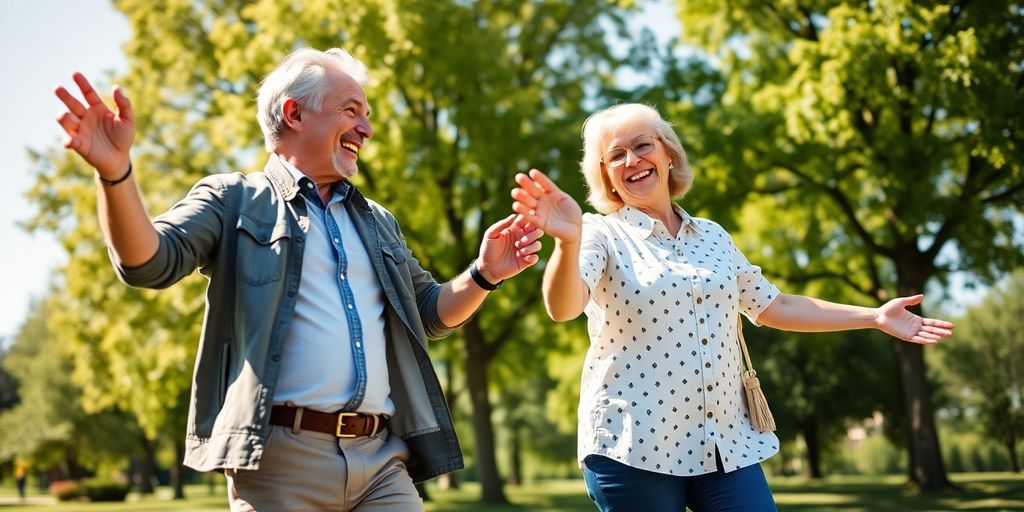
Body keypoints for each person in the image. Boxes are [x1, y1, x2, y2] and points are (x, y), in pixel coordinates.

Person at [54, 47, 543, 511]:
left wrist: (483, 274)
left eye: (367, 114)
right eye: (352, 110)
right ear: (294, 114)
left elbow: (428, 314)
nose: (367, 128)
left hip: (381, 460)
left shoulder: (377, 220)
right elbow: (149, 262)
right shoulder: (233, 199)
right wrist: (116, 176)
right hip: (280, 462)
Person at [510, 103, 954, 512]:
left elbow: (775, 304)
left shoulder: (713, 237)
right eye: (616, 155)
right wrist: (567, 243)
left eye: (642, 145)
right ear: (605, 175)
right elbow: (563, 307)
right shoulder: (598, 235)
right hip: (634, 445)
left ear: (668, 153)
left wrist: (874, 317)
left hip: (723, 444)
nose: (632, 160)